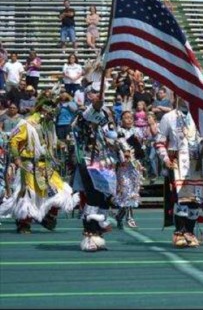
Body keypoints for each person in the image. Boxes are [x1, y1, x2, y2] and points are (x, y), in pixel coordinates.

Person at [0, 90, 78, 233]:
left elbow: (48, 143)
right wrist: (17, 158)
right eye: (51, 110)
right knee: (29, 195)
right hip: (28, 164)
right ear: (43, 109)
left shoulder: (48, 124)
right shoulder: (27, 123)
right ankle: (24, 223)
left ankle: (48, 216)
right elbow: (13, 140)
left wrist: (60, 143)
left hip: (45, 165)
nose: (53, 114)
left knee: (60, 191)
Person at [156, 97, 203, 248]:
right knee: (181, 199)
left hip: (196, 164)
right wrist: (165, 159)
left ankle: (190, 232)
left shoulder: (199, 116)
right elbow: (160, 141)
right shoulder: (169, 117)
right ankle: (179, 231)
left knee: (195, 200)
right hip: (177, 162)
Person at [71, 93, 119, 252]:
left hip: (105, 162)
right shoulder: (84, 116)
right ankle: (90, 235)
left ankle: (98, 233)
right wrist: (97, 105)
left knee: (105, 199)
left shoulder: (106, 121)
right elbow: (90, 112)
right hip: (88, 161)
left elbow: (113, 138)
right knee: (94, 197)